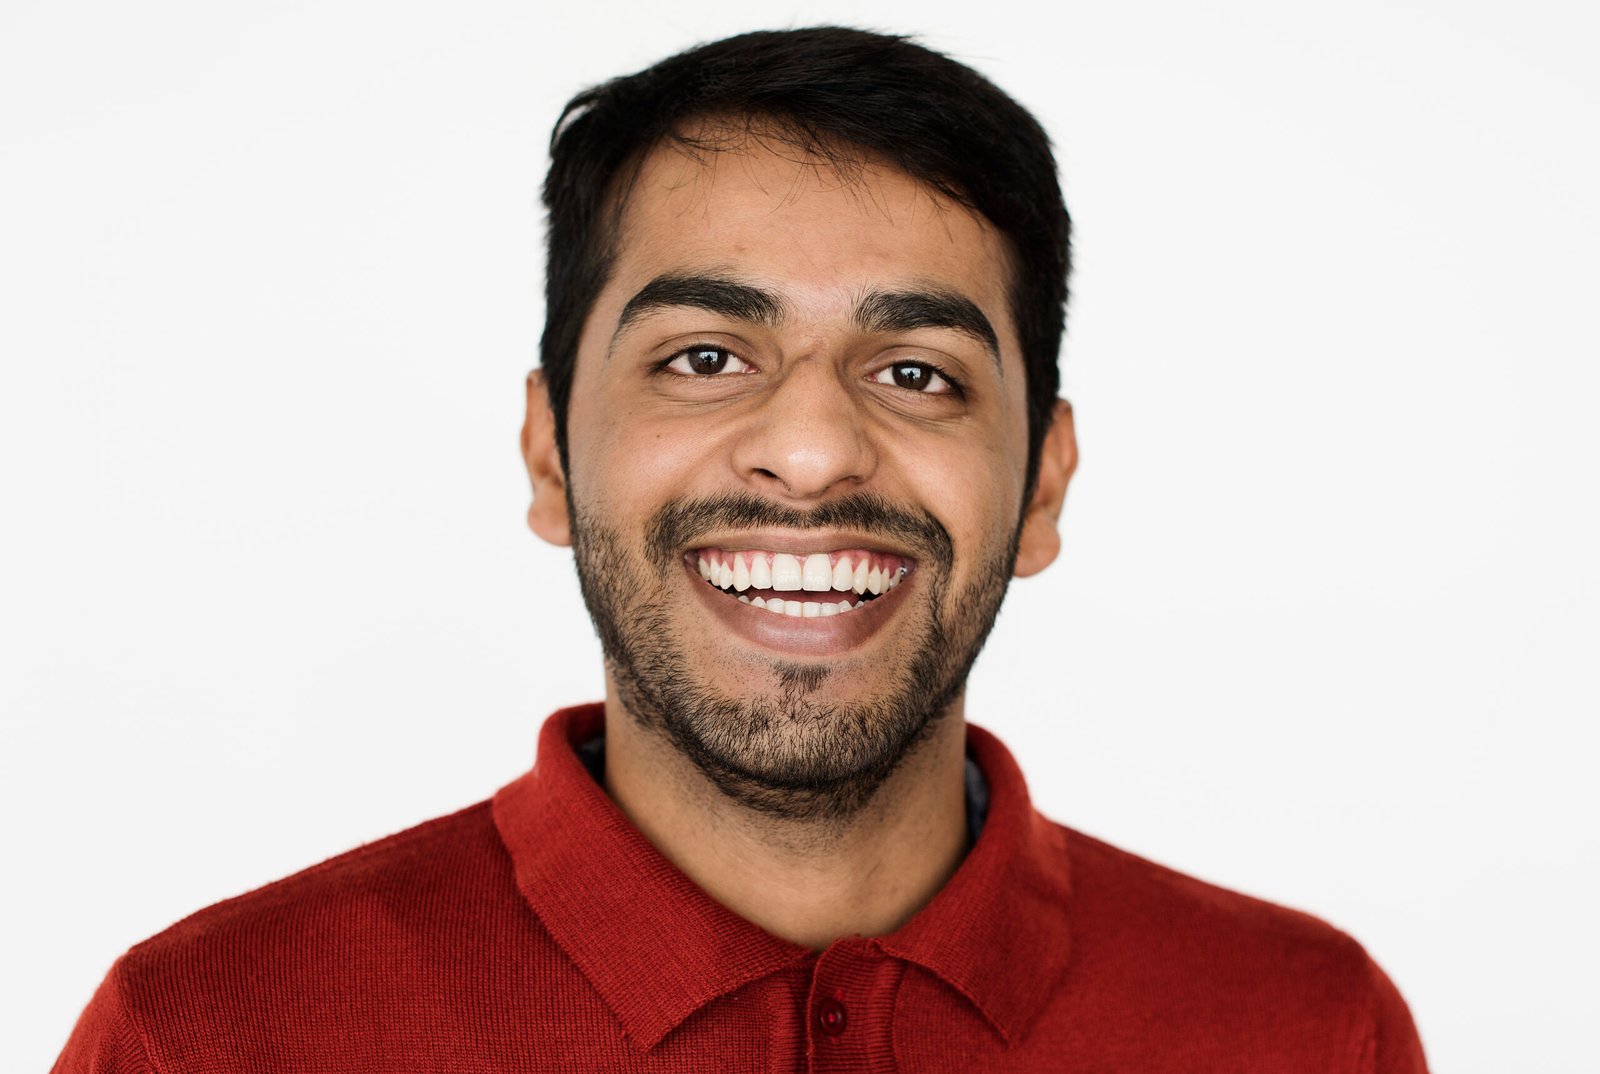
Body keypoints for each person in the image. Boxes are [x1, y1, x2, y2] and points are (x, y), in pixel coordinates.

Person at [54, 26, 1427, 1073]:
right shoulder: (204, 1036)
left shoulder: (1311, 1029)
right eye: (705, 357)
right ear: (550, 453)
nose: (813, 450)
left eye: (919, 372)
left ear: (1042, 484)